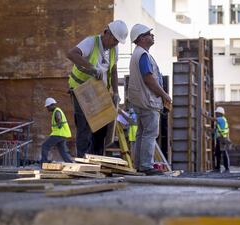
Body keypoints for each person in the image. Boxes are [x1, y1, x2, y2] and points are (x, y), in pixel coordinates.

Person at [66, 20, 128, 157]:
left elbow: (113, 70)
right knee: (84, 126)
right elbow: (71, 54)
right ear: (106, 33)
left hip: (98, 91)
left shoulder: (113, 49)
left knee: (101, 127)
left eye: (118, 41)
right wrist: (91, 68)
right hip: (81, 90)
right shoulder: (91, 42)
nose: (116, 43)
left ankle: (97, 158)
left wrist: (116, 92)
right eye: (115, 40)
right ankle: (82, 159)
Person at [127, 24, 172, 175]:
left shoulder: (138, 54)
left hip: (140, 101)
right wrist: (164, 94)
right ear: (141, 38)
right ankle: (146, 165)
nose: (152, 36)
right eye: (149, 34)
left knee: (142, 133)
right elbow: (149, 78)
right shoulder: (143, 55)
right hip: (148, 101)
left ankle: (140, 165)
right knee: (150, 133)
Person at [41, 97, 73, 164]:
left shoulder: (57, 112)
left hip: (58, 134)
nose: (47, 108)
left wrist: (59, 124)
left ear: (52, 105)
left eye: (48, 106)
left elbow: (58, 118)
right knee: (62, 150)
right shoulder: (56, 111)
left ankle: (44, 163)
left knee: (45, 146)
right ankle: (70, 163)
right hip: (62, 134)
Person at [204, 107, 231, 173]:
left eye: (216, 113)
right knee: (217, 153)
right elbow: (216, 131)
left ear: (220, 113)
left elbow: (212, 119)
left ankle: (227, 169)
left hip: (222, 139)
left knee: (224, 153)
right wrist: (207, 129)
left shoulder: (221, 119)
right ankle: (217, 168)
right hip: (220, 139)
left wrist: (203, 115)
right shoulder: (221, 121)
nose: (215, 114)